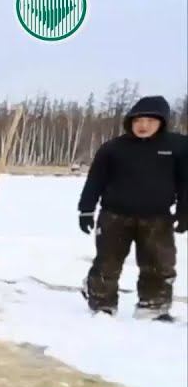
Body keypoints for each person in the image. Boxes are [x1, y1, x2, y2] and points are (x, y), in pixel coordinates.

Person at [79, 95, 187, 320]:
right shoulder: (113, 148)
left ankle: (153, 306)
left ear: (162, 122)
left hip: (157, 218)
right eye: (138, 120)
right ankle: (101, 304)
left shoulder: (178, 147)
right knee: (107, 262)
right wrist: (86, 209)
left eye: (150, 120)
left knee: (159, 264)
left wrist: (185, 210)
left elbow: (185, 181)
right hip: (114, 216)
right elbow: (95, 180)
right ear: (130, 121)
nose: (143, 125)